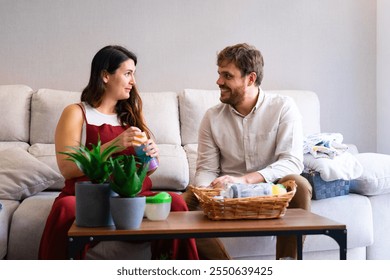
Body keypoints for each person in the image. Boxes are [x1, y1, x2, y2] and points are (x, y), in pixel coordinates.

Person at [38, 45, 199, 260]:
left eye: (133, 74)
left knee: (176, 202)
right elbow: (67, 168)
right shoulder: (77, 113)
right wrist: (115, 144)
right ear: (105, 76)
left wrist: (151, 157)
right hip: (91, 199)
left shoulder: (130, 115)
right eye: (127, 74)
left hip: (133, 197)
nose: (133, 81)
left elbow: (147, 171)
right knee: (66, 208)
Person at [190, 43, 312, 260]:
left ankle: (287, 265)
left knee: (299, 184)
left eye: (227, 76)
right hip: (227, 194)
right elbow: (206, 169)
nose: (219, 82)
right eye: (219, 74)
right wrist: (207, 191)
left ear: (251, 78)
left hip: (272, 189)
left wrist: (245, 180)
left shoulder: (283, 107)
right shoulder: (212, 117)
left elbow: (292, 162)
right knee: (184, 201)